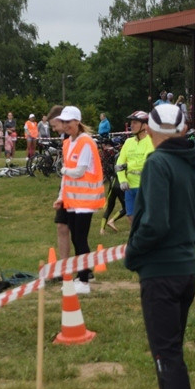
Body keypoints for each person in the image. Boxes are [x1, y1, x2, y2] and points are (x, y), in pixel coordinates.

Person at [124, 103, 195, 389]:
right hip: (185, 267)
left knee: (166, 355)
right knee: (168, 352)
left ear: (154, 131)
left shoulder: (158, 163)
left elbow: (154, 223)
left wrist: (133, 253)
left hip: (160, 270)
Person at [53, 106, 104, 295]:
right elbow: (67, 176)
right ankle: (81, 277)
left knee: (80, 239)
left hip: (86, 200)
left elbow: (78, 171)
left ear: (77, 122)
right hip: (73, 200)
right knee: (76, 238)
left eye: (69, 122)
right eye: (64, 122)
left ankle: (84, 280)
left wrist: (63, 169)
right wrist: (61, 197)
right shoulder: (68, 143)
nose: (66, 125)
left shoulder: (86, 142)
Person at [116, 110, 155, 219]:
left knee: (145, 218)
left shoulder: (151, 141)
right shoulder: (128, 142)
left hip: (144, 186)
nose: (131, 125)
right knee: (131, 217)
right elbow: (119, 163)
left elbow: (146, 162)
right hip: (129, 186)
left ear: (145, 125)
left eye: (135, 123)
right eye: (131, 123)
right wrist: (122, 180)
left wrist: (128, 166)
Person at [45, 104, 72, 263]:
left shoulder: (78, 138)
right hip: (66, 187)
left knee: (77, 232)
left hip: (78, 191)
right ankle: (64, 266)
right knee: (61, 226)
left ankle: (84, 272)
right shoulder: (66, 139)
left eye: (55, 125)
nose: (54, 129)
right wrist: (61, 194)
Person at [99, 137, 126, 234]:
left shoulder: (116, 155)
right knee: (126, 207)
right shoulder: (125, 155)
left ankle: (102, 229)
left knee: (110, 207)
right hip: (120, 184)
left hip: (112, 183)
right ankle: (112, 221)